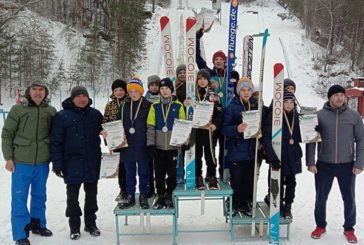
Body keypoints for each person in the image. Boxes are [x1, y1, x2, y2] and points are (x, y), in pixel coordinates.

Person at [306, 84, 364, 243]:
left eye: (342, 95)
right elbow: (311, 140)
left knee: (349, 198)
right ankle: (320, 225)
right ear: (329, 97)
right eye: (336, 95)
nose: (340, 98)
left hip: (347, 164)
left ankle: (349, 228)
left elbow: (361, 140)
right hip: (324, 164)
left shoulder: (354, 116)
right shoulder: (319, 116)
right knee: (320, 197)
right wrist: (311, 162)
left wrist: (359, 163)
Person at [2, 83, 56, 245]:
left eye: (41, 90)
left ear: (45, 92)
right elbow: (7, 134)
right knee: (19, 197)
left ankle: (38, 224)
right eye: (34, 89)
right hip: (21, 162)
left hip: (42, 162)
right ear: (28, 92)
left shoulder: (50, 111)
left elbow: (56, 135)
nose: (38, 93)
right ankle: (20, 233)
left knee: (40, 195)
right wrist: (9, 158)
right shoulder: (18, 110)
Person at [51, 86, 103, 240]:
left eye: (84, 96)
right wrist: (57, 163)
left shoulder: (95, 114)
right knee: (72, 197)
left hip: (92, 161)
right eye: (78, 96)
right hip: (71, 163)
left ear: (88, 98)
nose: (82, 99)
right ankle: (74, 226)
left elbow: (107, 132)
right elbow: (56, 142)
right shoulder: (62, 116)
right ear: (72, 98)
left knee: (92, 196)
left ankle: (90, 224)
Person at [195, 28, 240, 180]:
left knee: (225, 148)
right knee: (210, 147)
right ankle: (210, 173)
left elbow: (240, 90)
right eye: (216, 59)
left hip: (228, 118)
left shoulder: (231, 75)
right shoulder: (209, 73)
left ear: (225, 61)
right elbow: (198, 59)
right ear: (213, 62)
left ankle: (223, 172)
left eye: (221, 59)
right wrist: (197, 37)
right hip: (213, 117)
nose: (219, 61)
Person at [262, 91, 302, 219]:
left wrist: (313, 131)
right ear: (280, 103)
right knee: (276, 182)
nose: (289, 105)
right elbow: (266, 138)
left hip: (293, 155)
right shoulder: (274, 116)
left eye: (291, 102)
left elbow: (300, 136)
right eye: (286, 102)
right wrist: (272, 157)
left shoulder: (297, 116)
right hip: (278, 155)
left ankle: (288, 206)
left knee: (291, 182)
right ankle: (277, 205)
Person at [147, 77, 186, 209]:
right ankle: (161, 196)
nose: (164, 91)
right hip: (158, 147)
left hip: (172, 147)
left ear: (171, 90)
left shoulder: (178, 106)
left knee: (172, 173)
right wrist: (151, 144)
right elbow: (151, 127)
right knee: (159, 173)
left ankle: (169, 194)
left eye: (167, 89)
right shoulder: (154, 106)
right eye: (162, 89)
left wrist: (182, 142)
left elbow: (182, 126)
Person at [223, 77, 257, 216]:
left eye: (249, 89)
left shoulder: (255, 105)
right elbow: (224, 129)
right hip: (236, 150)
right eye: (243, 90)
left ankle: (245, 203)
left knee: (249, 180)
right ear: (238, 91)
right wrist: (236, 129)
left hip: (251, 151)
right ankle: (234, 203)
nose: (246, 92)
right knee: (236, 180)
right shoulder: (232, 107)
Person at [117, 77, 152, 209]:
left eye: (136, 91)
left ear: (141, 91)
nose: (133, 93)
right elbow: (117, 123)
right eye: (130, 91)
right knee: (129, 172)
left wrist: (151, 144)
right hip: (127, 145)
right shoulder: (124, 105)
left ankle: (143, 194)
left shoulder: (147, 105)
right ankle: (130, 195)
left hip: (142, 144)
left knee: (144, 172)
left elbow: (151, 125)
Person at [187, 69, 222, 190]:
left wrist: (215, 125)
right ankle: (198, 177)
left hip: (208, 131)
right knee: (197, 155)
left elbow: (219, 113)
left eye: (204, 79)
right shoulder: (191, 95)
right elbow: (186, 112)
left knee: (210, 154)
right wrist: (185, 104)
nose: (202, 81)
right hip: (195, 131)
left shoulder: (213, 95)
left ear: (208, 81)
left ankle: (212, 176)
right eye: (200, 79)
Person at [102, 79, 128, 203]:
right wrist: (108, 142)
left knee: (130, 166)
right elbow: (105, 122)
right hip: (116, 141)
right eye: (116, 90)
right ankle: (123, 190)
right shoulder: (110, 105)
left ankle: (132, 189)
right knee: (121, 166)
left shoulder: (130, 101)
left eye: (121, 90)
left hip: (130, 139)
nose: (118, 92)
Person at [175, 64, 187, 184]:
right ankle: (179, 174)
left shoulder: (192, 86)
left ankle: (191, 174)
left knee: (189, 149)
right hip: (178, 121)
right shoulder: (174, 87)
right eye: (180, 72)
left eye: (184, 72)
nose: (182, 74)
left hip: (191, 120)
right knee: (179, 150)